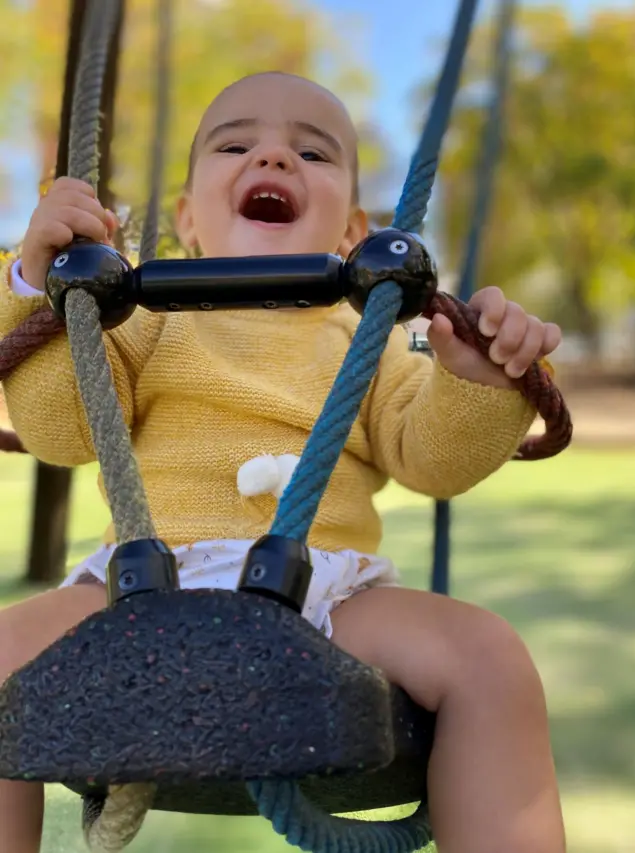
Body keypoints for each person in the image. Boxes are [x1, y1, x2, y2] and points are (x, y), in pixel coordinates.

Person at [0, 71, 566, 853]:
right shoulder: (142, 317)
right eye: (236, 146)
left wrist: (480, 383)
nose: (272, 157)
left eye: (314, 153)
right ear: (187, 219)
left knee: (489, 655)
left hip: (325, 594)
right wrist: (44, 289)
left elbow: (431, 459)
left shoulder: (366, 335)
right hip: (139, 581)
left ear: (353, 233)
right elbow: (62, 432)